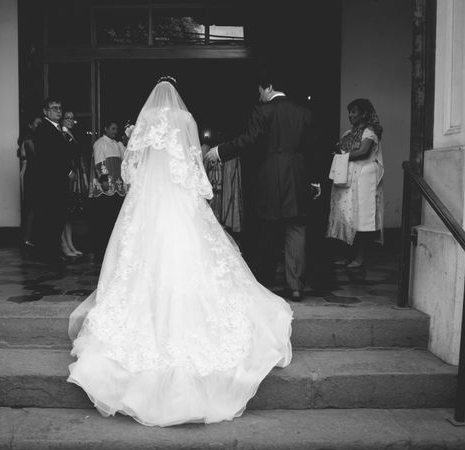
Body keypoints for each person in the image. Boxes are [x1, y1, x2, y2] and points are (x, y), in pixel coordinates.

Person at [67, 77, 292, 427]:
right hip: (180, 202)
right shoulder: (186, 121)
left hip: (147, 206)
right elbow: (194, 166)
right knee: (196, 260)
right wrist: (203, 193)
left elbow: (129, 169)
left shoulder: (143, 123)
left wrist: (138, 183)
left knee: (138, 263)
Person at [205, 71, 320, 302]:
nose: (259, 96)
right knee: (296, 229)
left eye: (260, 91)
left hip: (270, 179)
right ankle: (295, 286)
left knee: (269, 230)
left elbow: (250, 140)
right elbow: (313, 149)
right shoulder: (304, 112)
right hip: (298, 178)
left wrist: (220, 151)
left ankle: (265, 283)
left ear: (268, 87)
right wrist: (315, 179)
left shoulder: (263, 110)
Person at [326, 98, 384, 267]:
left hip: (364, 179)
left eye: (354, 112)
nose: (350, 115)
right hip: (349, 178)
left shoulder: (370, 132)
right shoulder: (348, 133)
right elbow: (338, 147)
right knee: (347, 216)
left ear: (364, 114)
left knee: (362, 218)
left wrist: (342, 156)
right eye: (349, 112)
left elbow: (364, 151)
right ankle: (348, 255)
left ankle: (360, 256)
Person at [31, 98, 74, 262]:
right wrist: (67, 170)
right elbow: (49, 156)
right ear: (45, 111)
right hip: (50, 181)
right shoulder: (43, 129)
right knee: (51, 216)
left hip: (58, 180)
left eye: (60, 108)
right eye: (54, 108)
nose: (58, 111)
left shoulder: (59, 129)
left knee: (58, 216)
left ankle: (52, 251)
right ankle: (49, 253)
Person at [88, 120, 126, 261]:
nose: (115, 131)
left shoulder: (118, 145)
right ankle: (100, 248)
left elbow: (124, 159)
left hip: (116, 185)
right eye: (113, 128)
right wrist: (103, 179)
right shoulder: (100, 143)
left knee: (113, 218)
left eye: (116, 129)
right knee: (103, 218)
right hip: (106, 185)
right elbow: (99, 161)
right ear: (106, 129)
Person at [60, 110, 86, 257]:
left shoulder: (70, 134)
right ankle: (64, 244)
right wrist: (68, 172)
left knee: (69, 214)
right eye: (67, 117)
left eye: (72, 117)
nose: (70, 120)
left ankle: (70, 244)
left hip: (74, 176)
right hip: (66, 176)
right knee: (64, 213)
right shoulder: (62, 134)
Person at [18, 115, 42, 250]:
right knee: (31, 206)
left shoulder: (34, 139)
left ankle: (32, 237)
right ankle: (27, 238)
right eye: (37, 124)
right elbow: (37, 156)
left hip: (34, 173)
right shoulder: (28, 140)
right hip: (31, 174)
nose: (39, 127)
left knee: (35, 207)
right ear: (30, 125)